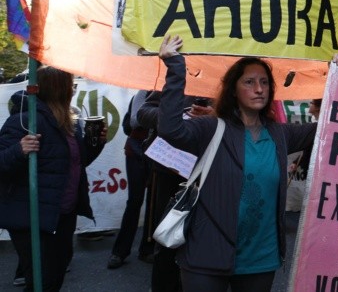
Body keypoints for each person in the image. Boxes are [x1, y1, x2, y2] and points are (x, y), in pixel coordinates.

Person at [155, 34, 338, 291]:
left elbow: (331, 126)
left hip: (260, 259)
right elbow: (170, 129)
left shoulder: (280, 134)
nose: (259, 89)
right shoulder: (211, 128)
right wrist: (175, 68)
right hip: (206, 254)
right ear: (233, 90)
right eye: (249, 82)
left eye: (264, 82)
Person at [0, 66, 107, 291]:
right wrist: (19, 150)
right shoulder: (24, 120)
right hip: (32, 215)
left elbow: (74, 164)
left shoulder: (69, 122)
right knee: (42, 281)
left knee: (55, 275)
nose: (74, 90)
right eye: (71, 85)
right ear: (59, 89)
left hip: (62, 214)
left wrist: (96, 143)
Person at [138, 91, 215, 292]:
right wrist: (175, 117)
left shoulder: (229, 82)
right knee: (168, 239)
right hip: (171, 170)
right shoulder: (175, 81)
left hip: (212, 172)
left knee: (204, 241)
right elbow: (143, 113)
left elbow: (243, 121)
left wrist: (214, 117)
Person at [107, 90, 155, 269]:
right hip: (137, 151)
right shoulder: (143, 92)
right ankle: (120, 251)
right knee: (134, 201)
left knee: (154, 202)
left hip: (160, 153)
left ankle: (147, 249)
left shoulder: (173, 92)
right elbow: (134, 121)